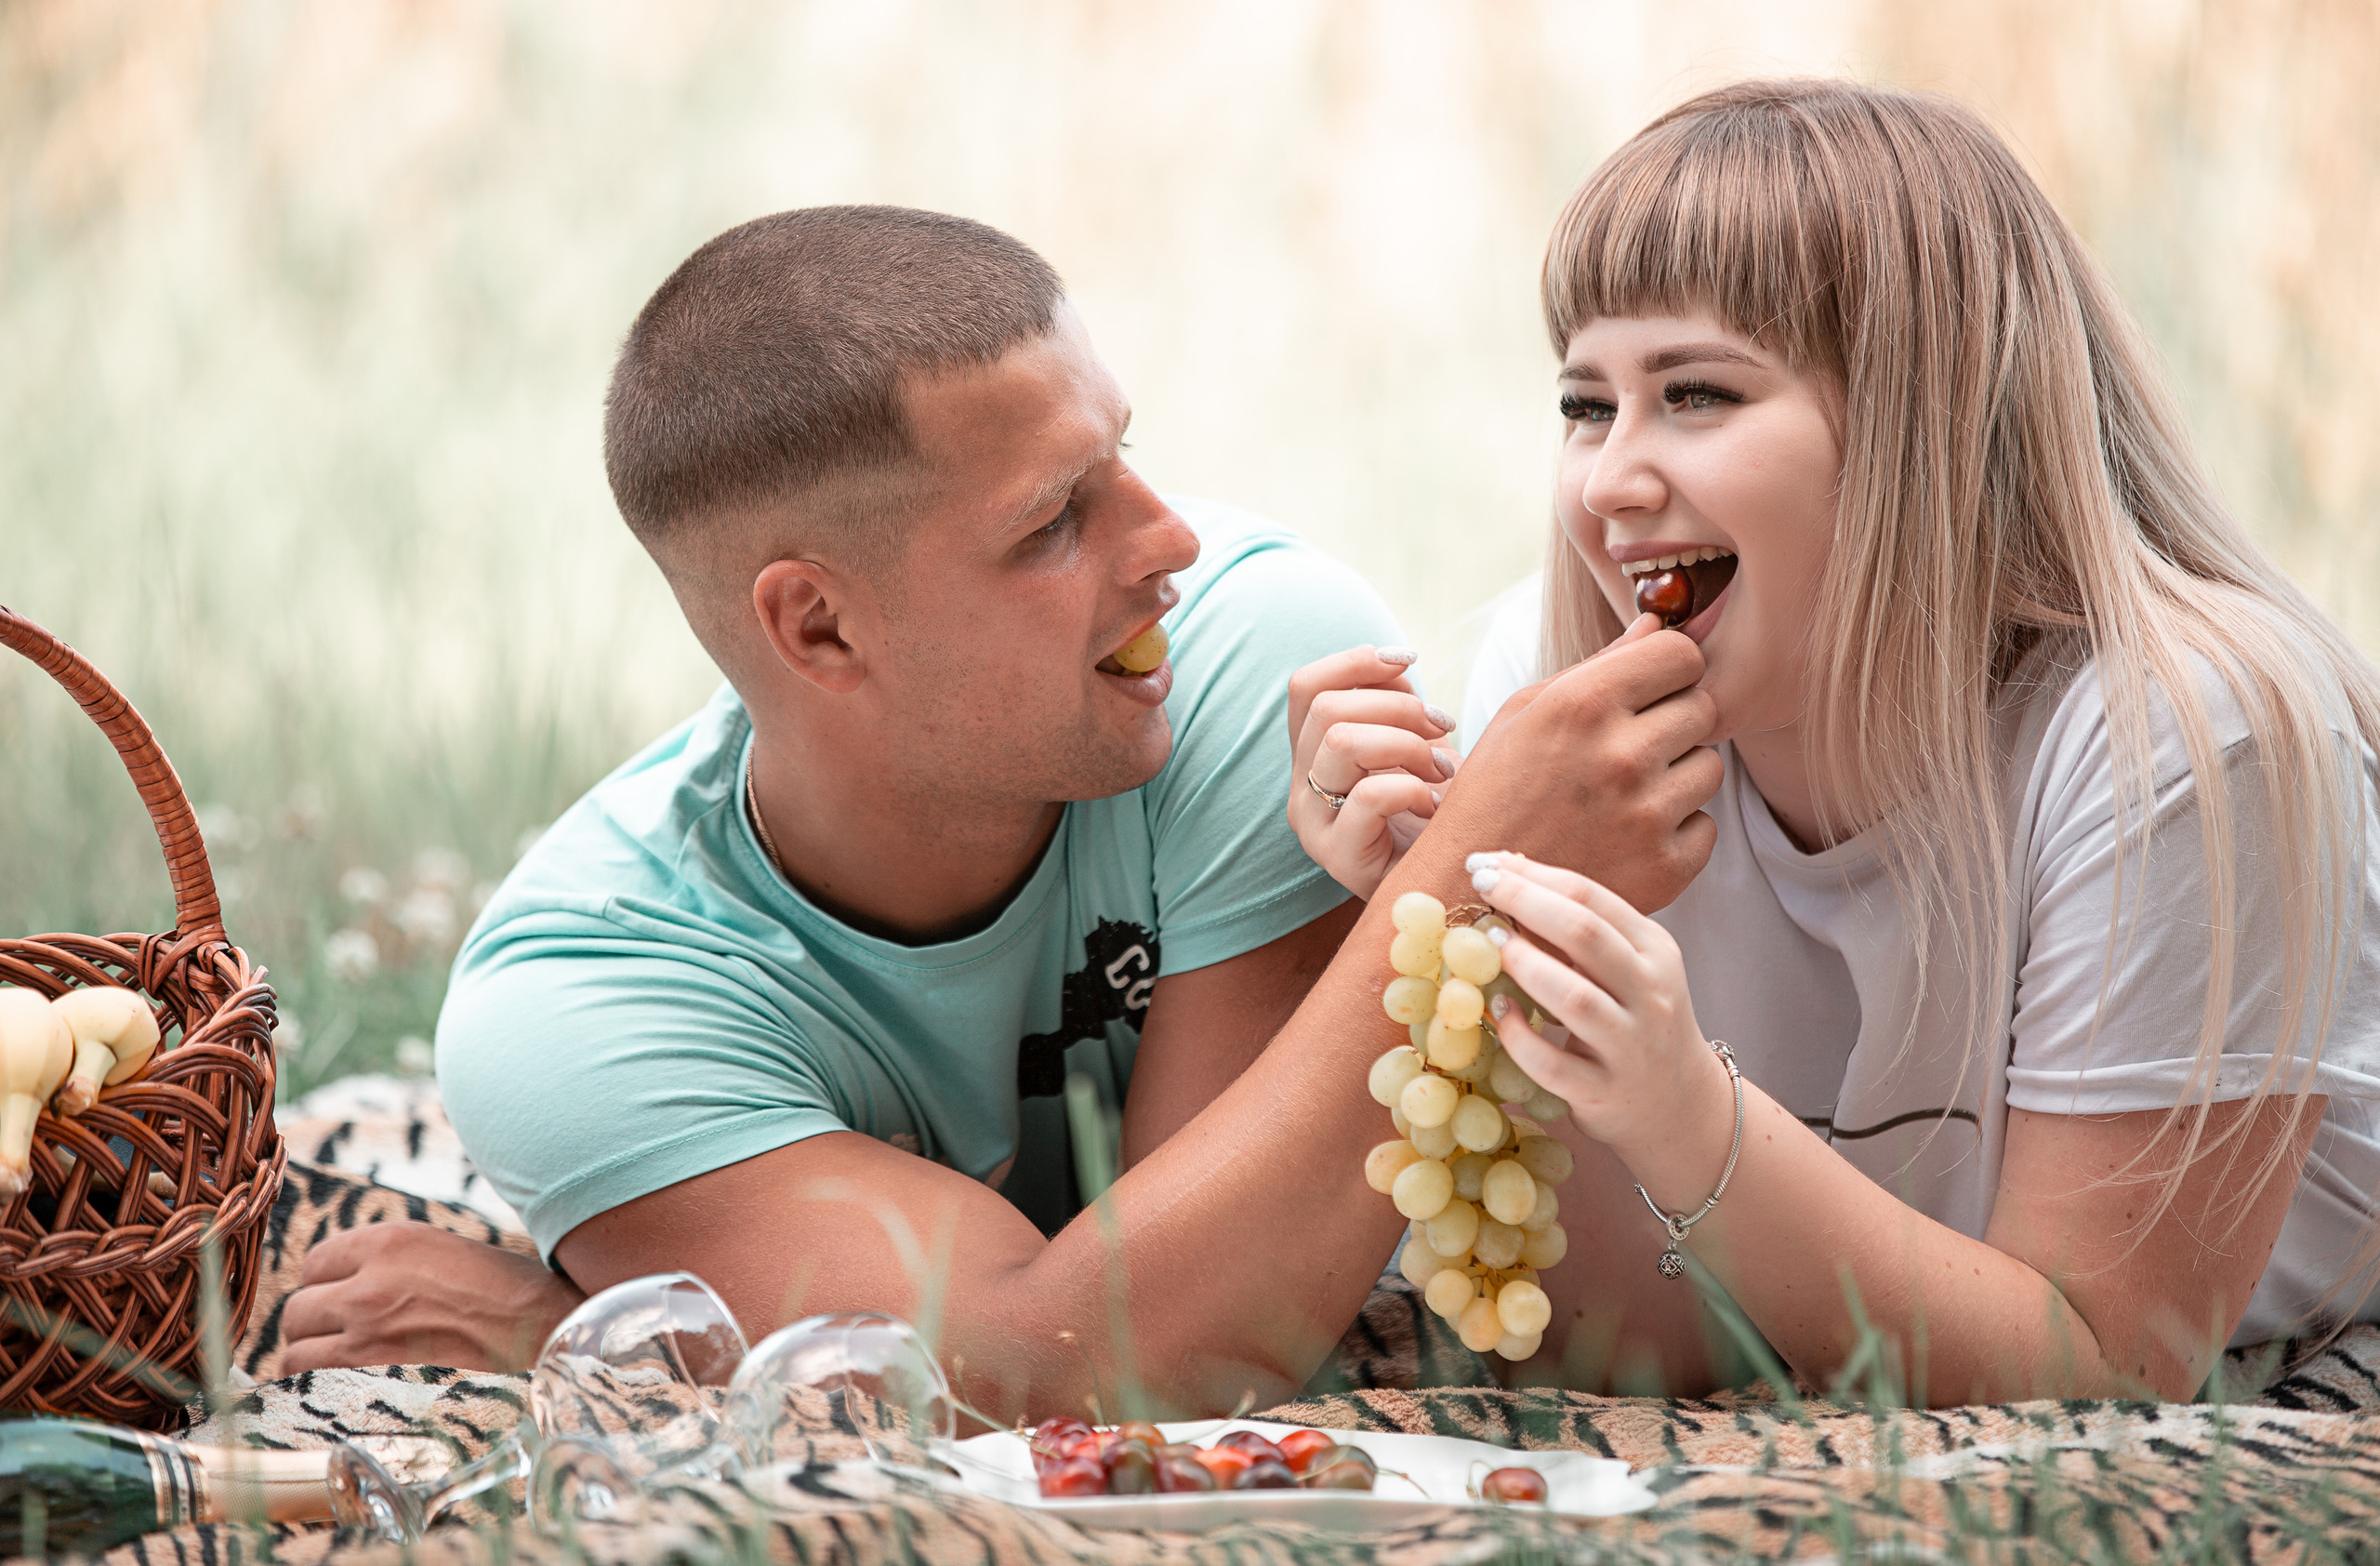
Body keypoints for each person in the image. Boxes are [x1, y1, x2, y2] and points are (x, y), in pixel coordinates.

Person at [277, 205, 1725, 1421]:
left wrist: (633, 1329)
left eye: (1127, 456)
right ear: (821, 630)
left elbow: (1200, 1298)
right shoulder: (578, 1005)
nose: (1168, 541)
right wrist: (1455, 887)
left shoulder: (1257, 658)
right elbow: (1102, 1360)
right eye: (1053, 523)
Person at [1290, 79, 2380, 1407]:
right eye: (1586, 405)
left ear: (1926, 420)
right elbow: (1643, 1350)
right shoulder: (1560, 687)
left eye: (1695, 393)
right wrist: (1451, 931)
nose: (1612, 481)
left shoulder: (2191, 734)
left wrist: (1691, 1110)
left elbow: (2112, 1371)